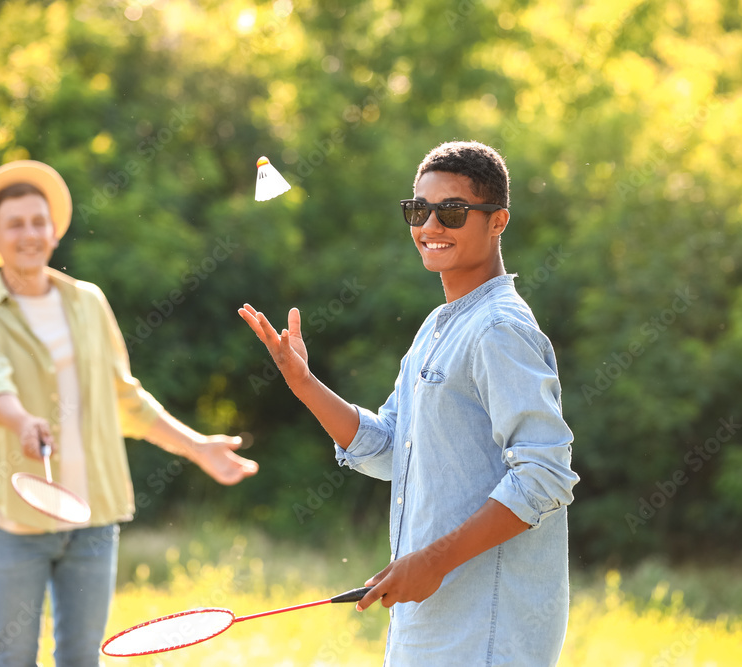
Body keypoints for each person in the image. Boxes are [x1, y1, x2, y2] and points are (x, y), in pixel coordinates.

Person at [239, 140, 579, 665]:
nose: (431, 226)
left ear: (497, 222)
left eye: (453, 212)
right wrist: (304, 384)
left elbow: (544, 475)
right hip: (430, 629)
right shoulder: (439, 326)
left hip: (486, 634)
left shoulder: (499, 329)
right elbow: (391, 450)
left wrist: (434, 561)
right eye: (419, 210)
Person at [0, 159, 259, 667]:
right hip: (14, 520)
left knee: (80, 658)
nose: (29, 233)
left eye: (37, 221)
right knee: (14, 656)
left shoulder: (88, 302)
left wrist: (197, 447)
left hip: (92, 516)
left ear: (53, 230)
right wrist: (23, 421)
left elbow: (125, 399)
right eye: (15, 224)